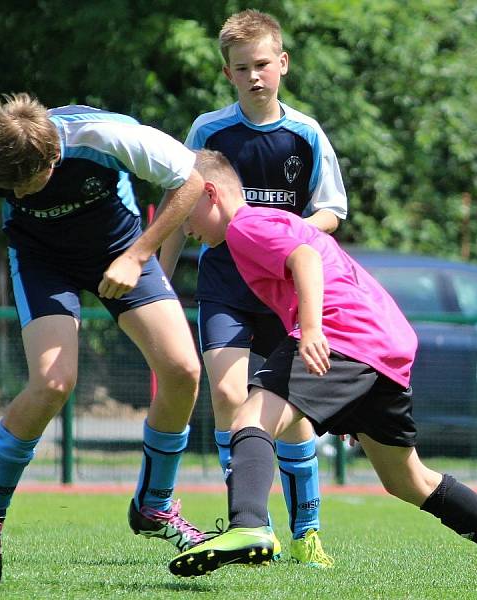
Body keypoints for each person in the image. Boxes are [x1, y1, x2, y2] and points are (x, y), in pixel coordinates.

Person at [167, 150, 477, 590]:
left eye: (185, 214)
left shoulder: (245, 225)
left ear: (210, 193)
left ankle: (248, 524)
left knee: (252, 416)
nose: (185, 229)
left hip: (346, 334)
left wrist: (311, 330)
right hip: (385, 343)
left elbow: (304, 258)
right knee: (408, 478)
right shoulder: (269, 221)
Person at [0, 93, 208, 590]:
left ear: (54, 157)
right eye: (9, 186)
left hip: (119, 246)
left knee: (182, 370)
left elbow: (191, 180)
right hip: (42, 260)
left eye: (27, 181)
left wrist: (138, 254)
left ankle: (155, 504)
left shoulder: (106, 135)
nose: (18, 192)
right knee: (53, 383)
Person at [159, 9, 346, 567]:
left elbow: (332, 211)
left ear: (282, 63)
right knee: (226, 395)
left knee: (292, 410)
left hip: (282, 288)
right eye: (242, 68)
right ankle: (249, 524)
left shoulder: (306, 134)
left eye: (263, 64)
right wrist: (159, 280)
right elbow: (178, 207)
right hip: (224, 286)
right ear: (228, 74)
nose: (255, 75)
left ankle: (306, 529)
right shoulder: (208, 132)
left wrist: (284, 231)